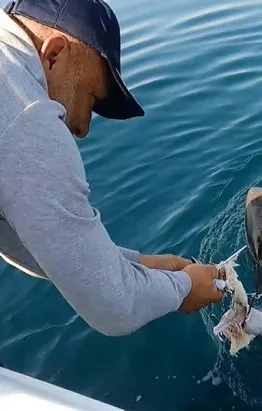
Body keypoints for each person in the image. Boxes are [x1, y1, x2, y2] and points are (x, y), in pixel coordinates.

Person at [0, 0, 224, 336]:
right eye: (89, 97)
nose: (82, 128)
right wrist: (185, 288)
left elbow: (27, 242)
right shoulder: (26, 113)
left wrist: (137, 264)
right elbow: (116, 308)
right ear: (54, 54)